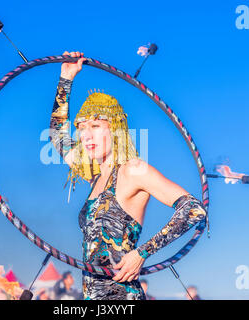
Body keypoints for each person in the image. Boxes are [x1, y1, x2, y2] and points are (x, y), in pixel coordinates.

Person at [49, 51, 207, 300]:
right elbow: (57, 134)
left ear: (115, 129)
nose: (86, 135)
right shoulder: (94, 177)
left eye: (96, 126)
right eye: (81, 128)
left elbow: (194, 209)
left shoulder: (132, 170)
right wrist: (66, 79)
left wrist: (141, 254)